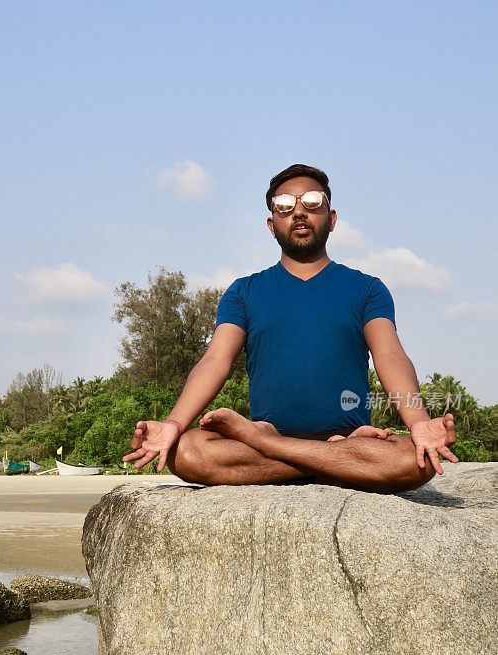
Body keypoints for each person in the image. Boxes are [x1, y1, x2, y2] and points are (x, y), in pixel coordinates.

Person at [123, 164, 458, 493]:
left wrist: (417, 423)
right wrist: (173, 424)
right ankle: (331, 461)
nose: (299, 212)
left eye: (312, 203)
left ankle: (274, 447)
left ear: (332, 219)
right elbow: (215, 360)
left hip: (336, 435)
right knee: (185, 451)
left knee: (418, 461)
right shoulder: (244, 292)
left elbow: (390, 354)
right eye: (285, 207)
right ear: (272, 224)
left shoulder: (366, 289)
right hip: (323, 445)